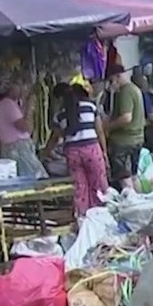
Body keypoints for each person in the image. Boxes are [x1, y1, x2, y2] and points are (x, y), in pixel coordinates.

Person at [42, 83, 108, 216]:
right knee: (98, 185)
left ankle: (82, 217)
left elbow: (54, 138)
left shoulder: (60, 115)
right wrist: (104, 152)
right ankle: (101, 216)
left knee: (79, 188)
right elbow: (100, 131)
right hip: (92, 150)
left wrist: (44, 154)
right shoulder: (90, 107)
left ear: (60, 99)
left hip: (72, 153)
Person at [102, 63, 143, 190]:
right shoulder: (135, 89)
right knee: (134, 175)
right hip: (136, 139)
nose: (110, 85)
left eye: (111, 81)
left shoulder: (125, 92)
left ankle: (130, 199)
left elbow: (126, 118)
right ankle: (139, 199)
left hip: (124, 142)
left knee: (123, 177)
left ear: (118, 76)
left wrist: (108, 127)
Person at [0, 80, 47, 179]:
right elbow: (26, 127)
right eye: (20, 85)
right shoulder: (7, 103)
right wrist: (30, 107)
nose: (23, 89)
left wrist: (25, 103)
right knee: (36, 177)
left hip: (18, 147)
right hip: (17, 148)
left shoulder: (12, 103)